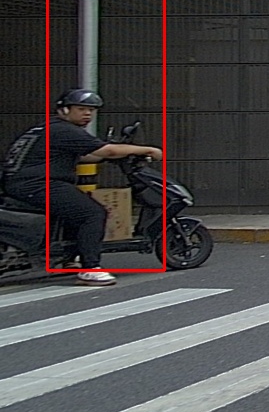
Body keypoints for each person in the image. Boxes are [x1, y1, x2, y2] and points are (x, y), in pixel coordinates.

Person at [0, 90, 162, 285]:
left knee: (73, 210)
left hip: (23, 183)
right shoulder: (64, 130)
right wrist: (148, 149)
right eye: (81, 109)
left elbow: (88, 155)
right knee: (92, 213)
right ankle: (90, 268)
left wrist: (111, 156)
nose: (87, 114)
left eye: (91, 110)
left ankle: (68, 259)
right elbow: (107, 150)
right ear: (64, 110)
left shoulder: (45, 129)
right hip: (38, 184)